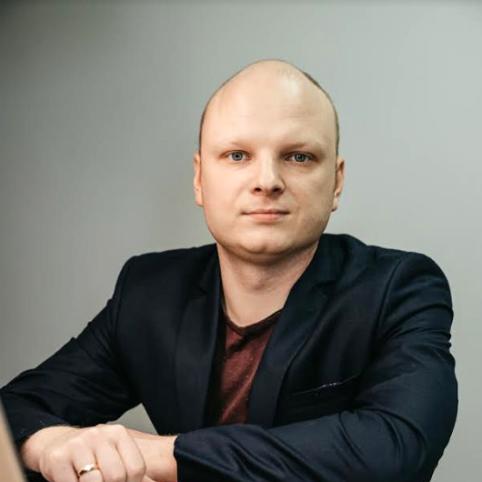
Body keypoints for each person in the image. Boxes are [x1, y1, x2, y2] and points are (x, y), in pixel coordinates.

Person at [0, 58, 458, 482]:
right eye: (237, 155)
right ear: (200, 179)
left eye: (298, 156)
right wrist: (50, 444)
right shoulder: (149, 292)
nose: (267, 181)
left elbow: (393, 450)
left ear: (336, 182)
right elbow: (17, 408)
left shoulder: (399, 289)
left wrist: (160, 454)